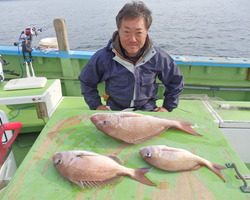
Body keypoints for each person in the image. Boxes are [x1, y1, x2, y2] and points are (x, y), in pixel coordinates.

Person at [79, 1, 183, 112]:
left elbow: (175, 82)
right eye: (126, 32)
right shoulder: (104, 57)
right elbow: (87, 81)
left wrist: (167, 107)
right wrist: (96, 105)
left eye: (138, 32)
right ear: (118, 30)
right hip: (114, 111)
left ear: (147, 31)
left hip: (147, 110)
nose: (132, 39)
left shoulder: (158, 57)